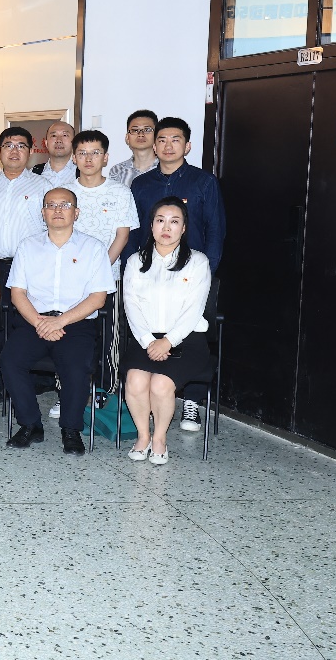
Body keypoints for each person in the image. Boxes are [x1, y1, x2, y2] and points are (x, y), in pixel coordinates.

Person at [127, 116, 225, 433]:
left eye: (176, 139)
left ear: (188, 145)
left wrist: (203, 275)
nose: (168, 146)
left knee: (191, 333)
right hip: (150, 271)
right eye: (162, 140)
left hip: (193, 276)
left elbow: (215, 232)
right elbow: (135, 231)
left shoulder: (204, 182)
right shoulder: (141, 185)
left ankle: (192, 401)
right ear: (155, 146)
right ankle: (149, 403)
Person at [2, 188, 115, 455]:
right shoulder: (28, 246)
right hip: (34, 320)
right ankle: (31, 424)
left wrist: (60, 322)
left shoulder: (94, 248)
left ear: (76, 213)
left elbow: (98, 298)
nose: (57, 210)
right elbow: (17, 293)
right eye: (51, 205)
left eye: (65, 205)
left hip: (76, 323)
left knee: (76, 366)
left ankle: (71, 429)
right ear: (43, 213)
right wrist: (40, 323)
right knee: (10, 361)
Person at [120, 197, 213, 465]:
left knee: (161, 384)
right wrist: (149, 341)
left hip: (187, 339)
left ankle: (159, 438)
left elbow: (194, 310)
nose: (166, 227)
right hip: (145, 338)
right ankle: (143, 436)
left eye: (174, 221)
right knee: (135, 381)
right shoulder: (135, 261)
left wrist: (169, 341)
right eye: (160, 220)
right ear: (151, 226)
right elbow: (131, 306)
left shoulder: (197, 262)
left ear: (184, 228)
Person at [0, 127, 51, 289]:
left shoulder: (43, 186)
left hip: (29, 265)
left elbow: (50, 226)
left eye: (21, 146)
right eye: (8, 146)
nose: (14, 151)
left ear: (30, 152)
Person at [69, 131, 138, 281]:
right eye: (82, 153)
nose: (88, 159)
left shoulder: (121, 192)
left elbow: (123, 236)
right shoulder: (64, 192)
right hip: (69, 273)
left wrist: (101, 269)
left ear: (105, 158)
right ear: (74, 158)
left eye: (95, 153)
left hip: (106, 274)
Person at [109, 110, 159, 188]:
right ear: (127, 138)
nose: (141, 135)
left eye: (147, 130)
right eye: (135, 130)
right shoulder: (117, 171)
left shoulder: (166, 167)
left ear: (157, 136)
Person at [31, 121, 77, 187]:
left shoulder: (83, 174)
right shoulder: (33, 174)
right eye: (54, 136)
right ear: (46, 143)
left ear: (74, 143)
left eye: (65, 135)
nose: (59, 140)